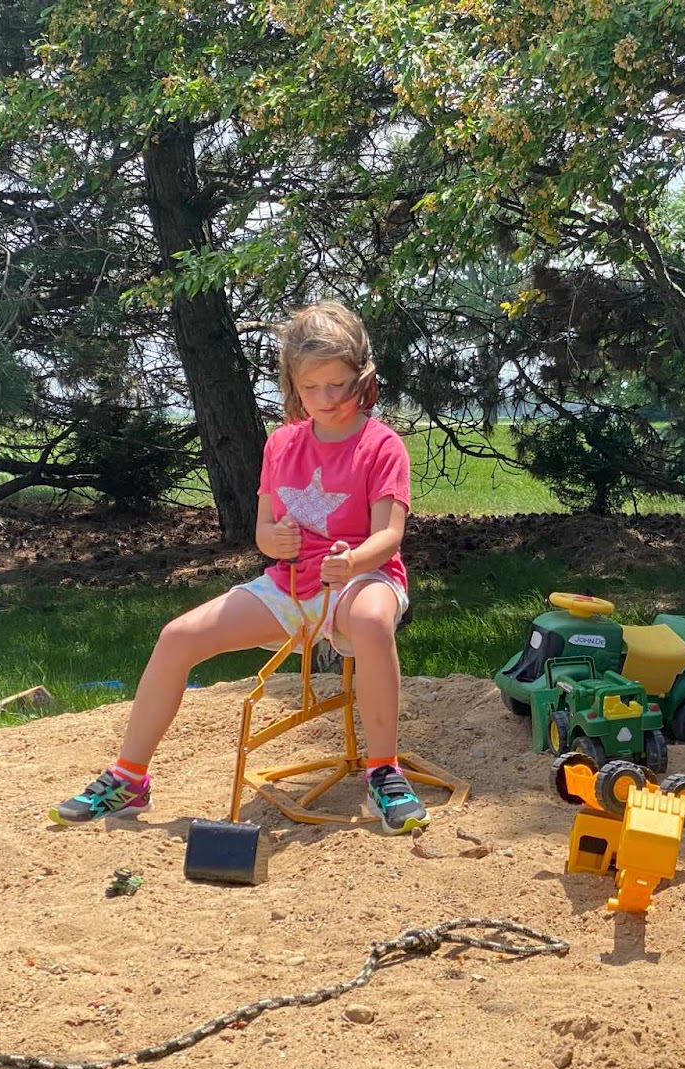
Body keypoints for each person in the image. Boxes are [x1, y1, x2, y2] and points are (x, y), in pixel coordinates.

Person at [50, 301, 426, 835]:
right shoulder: (282, 443)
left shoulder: (381, 445)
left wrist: (352, 561)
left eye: (339, 385)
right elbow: (263, 532)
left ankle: (384, 771)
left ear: (362, 376)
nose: (327, 399)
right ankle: (129, 777)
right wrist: (274, 540)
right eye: (312, 387)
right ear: (292, 385)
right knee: (177, 636)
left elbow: (389, 537)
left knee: (369, 620)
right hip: (290, 584)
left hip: (364, 579)